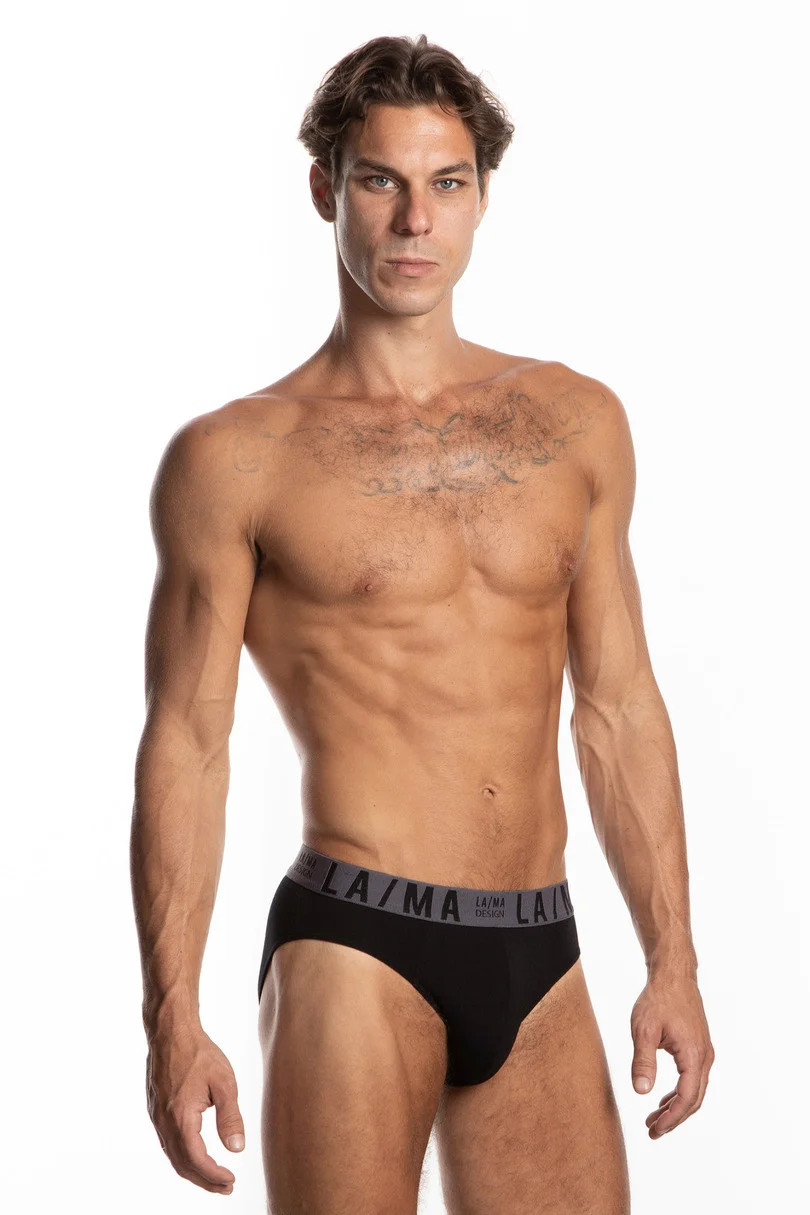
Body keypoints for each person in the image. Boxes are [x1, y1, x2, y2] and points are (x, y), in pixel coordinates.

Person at [130, 32, 714, 1213]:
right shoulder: (238, 458)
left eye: (446, 182)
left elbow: (616, 707)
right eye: (379, 181)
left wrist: (675, 960)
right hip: (356, 941)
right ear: (325, 189)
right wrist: (173, 1019)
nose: (414, 220)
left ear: (483, 195)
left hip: (542, 947)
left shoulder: (576, 422)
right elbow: (188, 742)